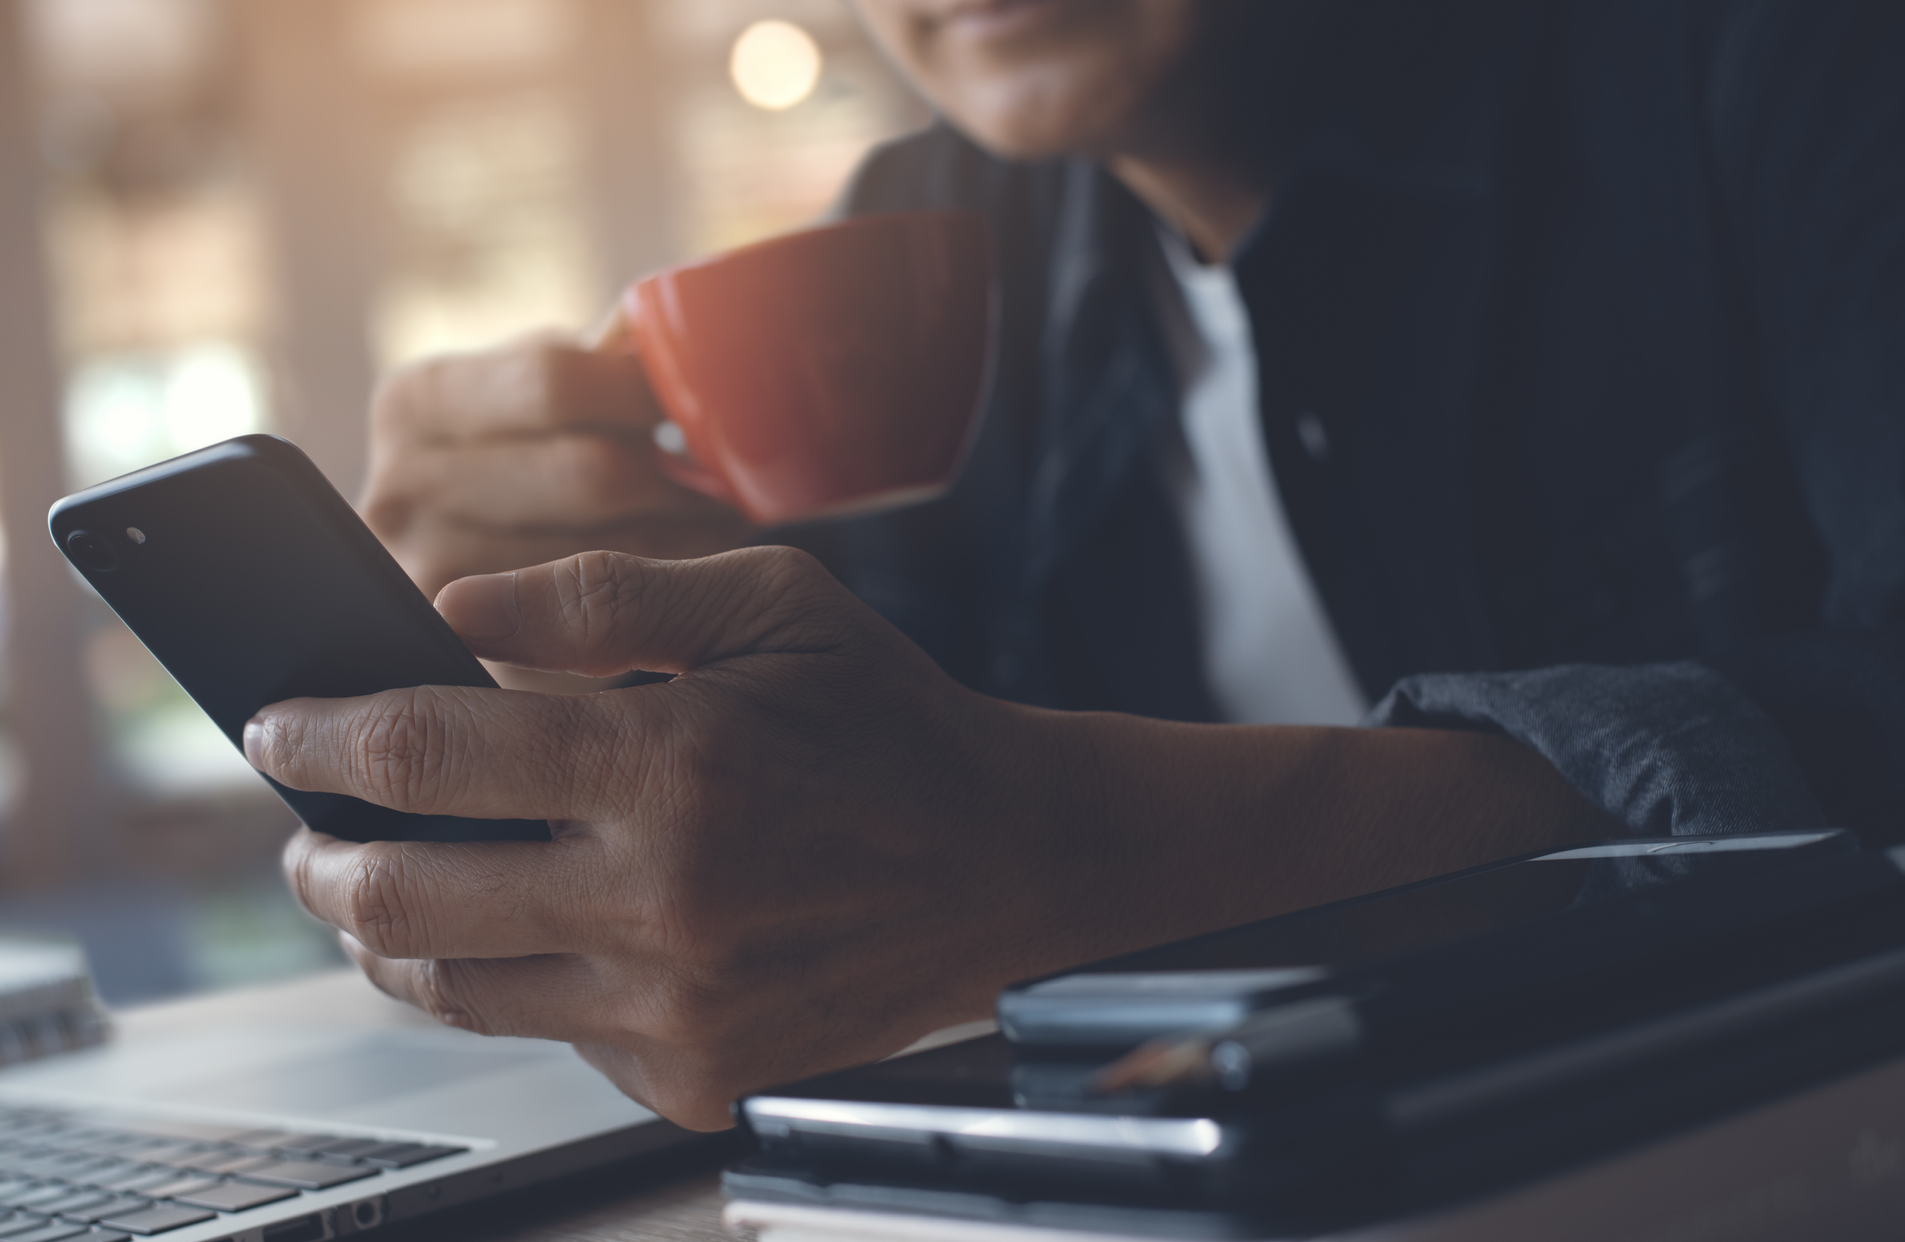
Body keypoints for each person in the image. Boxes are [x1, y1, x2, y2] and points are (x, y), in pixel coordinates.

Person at [243, 0, 1905, 1130]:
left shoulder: (1769, 62)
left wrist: (1092, 860)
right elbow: (857, 810)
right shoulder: (940, 233)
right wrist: (580, 699)